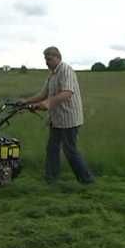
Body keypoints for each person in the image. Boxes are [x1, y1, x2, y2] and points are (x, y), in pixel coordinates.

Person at [20, 46, 95, 184]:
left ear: (57, 57)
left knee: (70, 150)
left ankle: (87, 179)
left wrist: (48, 103)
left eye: (49, 59)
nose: (46, 62)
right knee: (52, 148)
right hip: (56, 119)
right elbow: (43, 94)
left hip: (69, 118)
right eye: (45, 59)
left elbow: (67, 92)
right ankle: (51, 178)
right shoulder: (52, 74)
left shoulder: (66, 70)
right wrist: (26, 101)